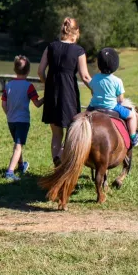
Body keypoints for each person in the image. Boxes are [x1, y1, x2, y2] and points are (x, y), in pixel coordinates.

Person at [38, 17, 92, 166]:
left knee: (56, 134)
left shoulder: (50, 47)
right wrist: (95, 90)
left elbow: (40, 71)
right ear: (76, 33)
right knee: (72, 133)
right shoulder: (78, 50)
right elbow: (85, 76)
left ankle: (57, 165)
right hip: (69, 95)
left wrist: (47, 84)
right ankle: (63, 160)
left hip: (51, 95)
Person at [87, 47, 138, 147]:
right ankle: (133, 137)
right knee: (131, 116)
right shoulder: (117, 81)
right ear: (115, 65)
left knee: (82, 118)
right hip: (112, 107)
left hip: (93, 107)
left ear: (99, 65)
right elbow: (121, 99)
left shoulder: (94, 78)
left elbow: (92, 92)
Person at [1, 55, 44, 181]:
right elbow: (37, 104)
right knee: (18, 146)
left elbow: (3, 103)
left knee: (17, 143)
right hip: (22, 121)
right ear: (28, 70)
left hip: (11, 120)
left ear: (15, 69)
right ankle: (10, 172)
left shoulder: (8, 86)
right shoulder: (29, 86)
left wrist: (8, 113)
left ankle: (21, 165)